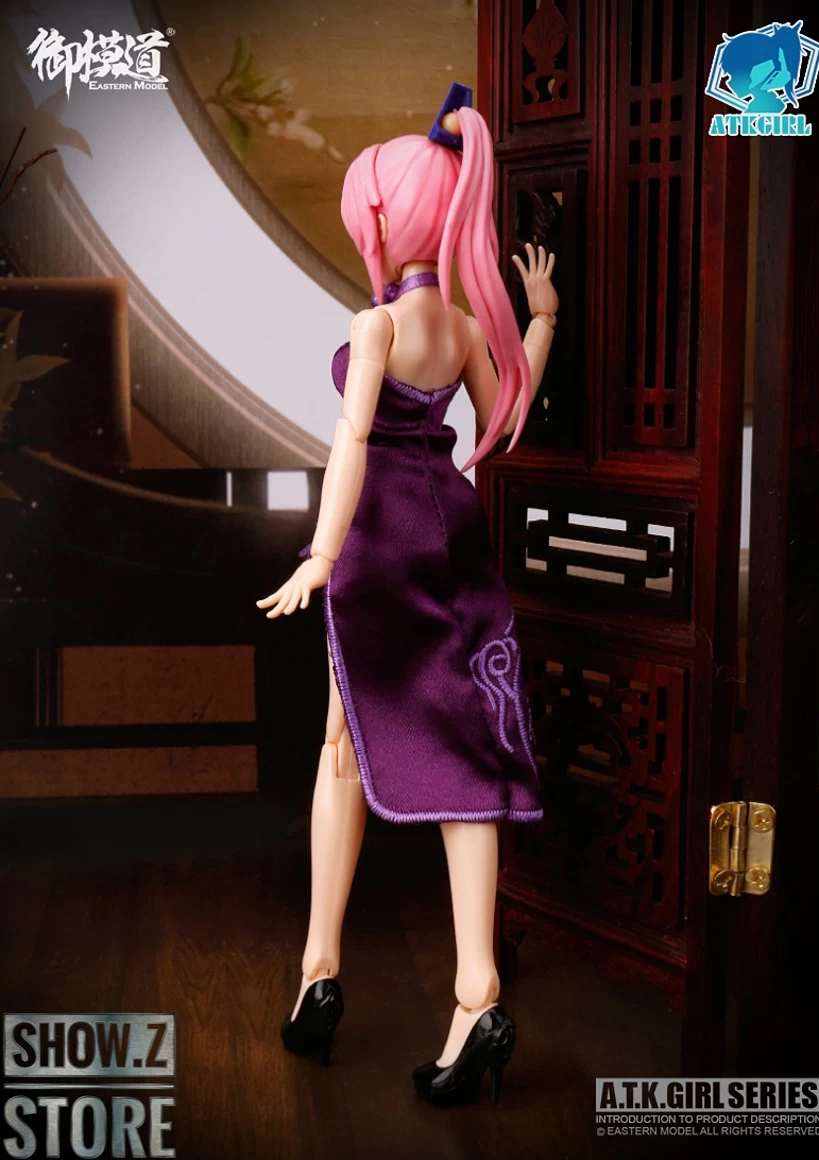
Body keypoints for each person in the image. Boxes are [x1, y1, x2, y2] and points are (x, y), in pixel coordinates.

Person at [256, 85, 559, 1106]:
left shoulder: (376, 321)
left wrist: (320, 553)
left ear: (381, 221)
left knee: (341, 743)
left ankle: (320, 969)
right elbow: (506, 419)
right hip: (452, 530)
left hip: (379, 536)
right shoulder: (466, 326)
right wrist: (543, 319)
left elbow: (350, 440)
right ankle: (472, 990)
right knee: (454, 748)